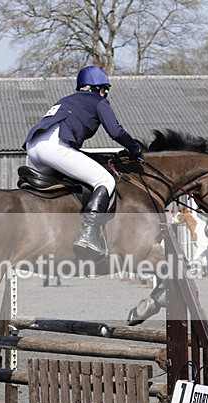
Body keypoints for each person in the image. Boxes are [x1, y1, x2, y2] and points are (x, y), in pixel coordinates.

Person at [23, 65, 142, 260]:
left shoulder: (66, 100)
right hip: (55, 148)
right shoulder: (97, 101)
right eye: (105, 89)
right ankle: (88, 235)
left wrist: (101, 158)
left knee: (76, 184)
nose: (106, 94)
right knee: (106, 181)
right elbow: (116, 131)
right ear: (97, 88)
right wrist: (135, 148)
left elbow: (73, 153)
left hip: (34, 148)